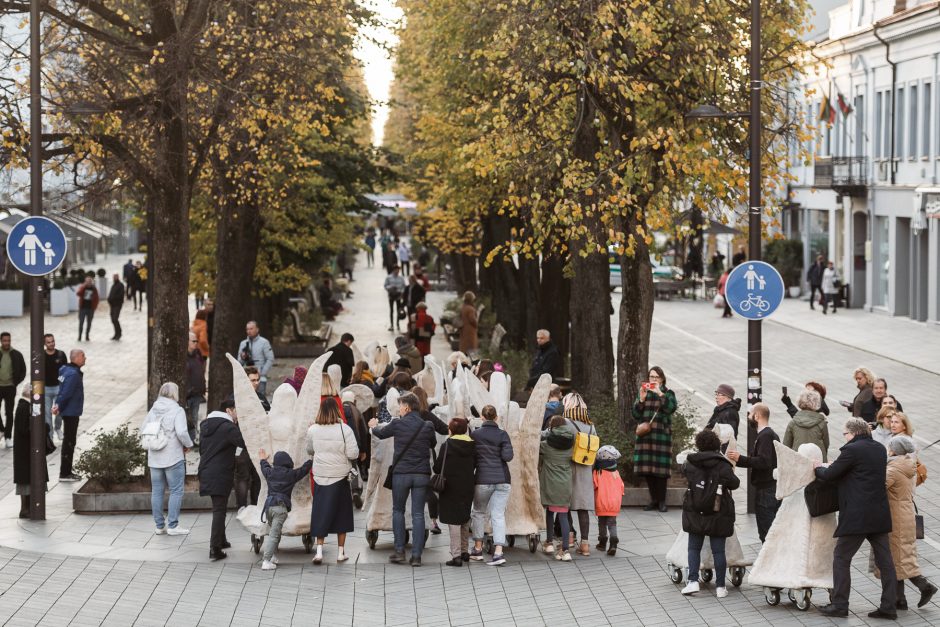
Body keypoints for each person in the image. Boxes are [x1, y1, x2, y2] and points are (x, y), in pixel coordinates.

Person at [813, 418, 897, 619]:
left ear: (852, 433)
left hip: (857, 516)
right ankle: (889, 607)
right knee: (885, 561)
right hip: (878, 514)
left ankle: (840, 605)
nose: (845, 437)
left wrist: (818, 467)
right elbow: (861, 473)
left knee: (841, 558)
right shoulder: (879, 448)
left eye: (845, 434)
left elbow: (830, 475)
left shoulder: (851, 450)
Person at [369, 392, 437, 566]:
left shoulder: (397, 424)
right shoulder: (427, 425)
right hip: (421, 474)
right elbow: (432, 443)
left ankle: (399, 551)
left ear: (406, 407)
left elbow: (381, 434)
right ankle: (416, 556)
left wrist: (373, 426)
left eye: (400, 406)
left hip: (401, 474)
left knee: (398, 510)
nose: (399, 409)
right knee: (418, 514)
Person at [680, 429, 740, 599]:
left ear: (699, 444)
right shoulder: (723, 464)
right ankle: (721, 587)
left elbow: (684, 473)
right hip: (718, 512)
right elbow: (735, 484)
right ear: (716, 445)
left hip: (695, 510)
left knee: (693, 547)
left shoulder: (690, 463)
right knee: (718, 551)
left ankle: (693, 581)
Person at [883, 436, 938, 610]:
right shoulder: (907, 465)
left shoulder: (893, 468)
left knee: (898, 558)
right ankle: (900, 599)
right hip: (905, 514)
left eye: (889, 447)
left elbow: (878, 487)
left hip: (895, 516)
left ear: (894, 450)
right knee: (899, 557)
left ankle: (924, 586)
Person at [305, 397, 359, 565]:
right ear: (337, 411)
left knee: (320, 512)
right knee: (341, 514)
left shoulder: (313, 429)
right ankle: (340, 553)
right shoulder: (345, 429)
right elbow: (353, 454)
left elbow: (309, 450)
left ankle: (319, 552)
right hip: (340, 477)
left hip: (321, 476)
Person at [198, 399, 246, 561]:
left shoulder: (206, 425)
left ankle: (222, 540)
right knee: (219, 510)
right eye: (237, 410)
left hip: (207, 470)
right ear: (229, 411)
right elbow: (243, 442)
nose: (239, 414)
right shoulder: (228, 428)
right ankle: (215, 548)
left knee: (220, 507)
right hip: (220, 472)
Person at [144, 382, 194, 536]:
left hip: (155, 457)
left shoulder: (154, 408)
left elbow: (143, 428)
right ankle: (173, 525)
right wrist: (189, 445)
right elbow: (182, 432)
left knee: (157, 491)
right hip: (172, 456)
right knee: (176, 491)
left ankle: (159, 526)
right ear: (175, 394)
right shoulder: (177, 410)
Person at [726, 403, 779, 542]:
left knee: (766, 532)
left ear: (757, 416)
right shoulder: (767, 434)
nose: (748, 417)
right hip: (769, 488)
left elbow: (764, 462)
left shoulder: (765, 436)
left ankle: (768, 562)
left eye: (749, 414)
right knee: (768, 530)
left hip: (766, 490)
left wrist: (740, 458)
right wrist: (741, 460)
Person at [468, 404, 514, 566]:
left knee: (479, 512)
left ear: (481, 417)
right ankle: (498, 553)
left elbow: (471, 460)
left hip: (482, 479)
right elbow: (508, 456)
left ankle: (478, 549)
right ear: (496, 418)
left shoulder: (475, 435)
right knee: (498, 515)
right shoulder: (503, 435)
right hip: (502, 480)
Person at [632, 366, 678, 513]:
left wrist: (660, 393)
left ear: (662, 379)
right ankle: (654, 500)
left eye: (656, 377)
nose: (653, 380)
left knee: (661, 471)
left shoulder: (668, 393)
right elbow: (636, 414)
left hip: (661, 435)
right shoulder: (644, 392)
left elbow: (671, 408)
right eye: (651, 377)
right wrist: (641, 399)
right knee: (647, 470)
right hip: (646, 436)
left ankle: (662, 501)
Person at [258, 448, 312, 570]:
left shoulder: (270, 473)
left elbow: (264, 467)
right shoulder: (290, 474)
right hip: (280, 508)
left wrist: (262, 459)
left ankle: (271, 557)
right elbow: (303, 470)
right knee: (274, 535)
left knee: (274, 532)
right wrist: (311, 460)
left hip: (269, 508)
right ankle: (266, 561)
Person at [433, 417, 477, 567]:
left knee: (453, 521)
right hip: (467, 485)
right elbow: (475, 463)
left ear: (451, 430)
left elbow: (438, 467)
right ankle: (465, 551)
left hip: (451, 486)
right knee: (465, 518)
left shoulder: (447, 445)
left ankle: (456, 555)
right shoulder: (472, 445)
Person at [561, 393, 596, 554]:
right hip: (585, 469)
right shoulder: (591, 426)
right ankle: (585, 544)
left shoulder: (565, 423)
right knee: (583, 508)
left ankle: (569, 537)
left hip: (567, 468)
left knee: (565, 506)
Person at [540, 415, 576, 560]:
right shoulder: (572, 443)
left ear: (552, 427)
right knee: (563, 516)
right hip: (565, 483)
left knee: (549, 512)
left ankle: (549, 543)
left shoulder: (546, 445)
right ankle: (565, 550)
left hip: (549, 483)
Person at [13, 384, 51, 517]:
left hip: (27, 452)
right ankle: (25, 509)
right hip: (26, 453)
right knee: (26, 481)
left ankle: (27, 508)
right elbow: (24, 429)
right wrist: (42, 426)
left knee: (28, 481)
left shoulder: (24, 406)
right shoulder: (24, 407)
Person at [52, 349, 85, 482]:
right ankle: (65, 473)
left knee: (68, 441)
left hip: (69, 411)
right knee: (69, 441)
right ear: (75, 358)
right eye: (83, 356)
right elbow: (66, 393)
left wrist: (57, 405)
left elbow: (62, 391)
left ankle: (66, 471)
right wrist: (58, 405)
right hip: (71, 412)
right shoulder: (73, 374)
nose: (85, 358)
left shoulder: (65, 370)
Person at [782, 387, 829, 462]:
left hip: (798, 460)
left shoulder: (793, 422)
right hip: (818, 461)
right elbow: (826, 444)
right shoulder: (822, 423)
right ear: (816, 403)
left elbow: (786, 445)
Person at [593, 445, 624, 556]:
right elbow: (622, 488)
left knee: (602, 522)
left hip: (602, 502)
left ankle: (602, 542)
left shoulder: (598, 472)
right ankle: (614, 541)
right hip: (615, 503)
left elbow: (594, 485)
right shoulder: (616, 473)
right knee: (612, 523)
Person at [0, 332, 26, 447]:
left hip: (10, 387)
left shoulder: (17, 354)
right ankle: (2, 429)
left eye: (8, 340)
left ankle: (8, 437)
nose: (6, 343)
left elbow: (23, 370)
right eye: (4, 340)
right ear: (1, 341)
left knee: (9, 413)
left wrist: (15, 383)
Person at [237, 321, 274, 397]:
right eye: (247, 329)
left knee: (260, 400)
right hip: (246, 378)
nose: (249, 331)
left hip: (260, 378)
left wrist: (262, 372)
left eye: (251, 329)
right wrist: (242, 357)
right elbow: (239, 363)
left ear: (257, 329)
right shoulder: (243, 343)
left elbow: (270, 358)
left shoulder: (264, 342)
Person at [42, 334, 67, 440]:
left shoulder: (61, 354)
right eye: (48, 342)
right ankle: (49, 435)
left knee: (59, 411)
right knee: (47, 414)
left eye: (52, 341)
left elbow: (66, 371)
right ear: (44, 344)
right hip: (46, 389)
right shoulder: (41, 355)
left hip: (58, 388)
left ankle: (58, 428)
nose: (51, 343)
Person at [184, 333, 206, 443]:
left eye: (197, 341)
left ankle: (192, 440)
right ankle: (187, 440)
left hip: (197, 393)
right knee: (187, 418)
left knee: (195, 417)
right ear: (187, 341)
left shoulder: (197, 354)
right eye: (194, 341)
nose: (196, 343)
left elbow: (201, 369)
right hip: (187, 395)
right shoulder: (183, 356)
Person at [384, 265, 407, 332]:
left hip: (398, 296)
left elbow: (404, 286)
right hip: (391, 295)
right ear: (393, 270)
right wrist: (390, 287)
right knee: (391, 310)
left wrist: (402, 292)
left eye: (398, 270)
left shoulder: (401, 278)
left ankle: (397, 323)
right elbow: (385, 285)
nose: (397, 271)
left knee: (398, 310)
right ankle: (391, 324)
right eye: (396, 270)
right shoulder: (389, 277)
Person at [76, 275, 99, 341]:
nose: (88, 282)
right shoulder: (83, 287)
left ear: (91, 282)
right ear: (85, 282)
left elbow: (97, 298)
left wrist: (94, 307)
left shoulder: (94, 288)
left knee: (89, 323)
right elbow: (78, 293)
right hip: (83, 308)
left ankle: (87, 336)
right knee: (81, 322)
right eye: (87, 281)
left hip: (90, 309)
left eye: (89, 281)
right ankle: (79, 336)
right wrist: (83, 286)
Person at [107, 273, 124, 340]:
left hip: (117, 304)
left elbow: (120, 295)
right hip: (112, 305)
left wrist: (113, 299)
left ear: (118, 277)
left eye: (115, 277)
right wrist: (109, 299)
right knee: (113, 319)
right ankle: (116, 333)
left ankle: (119, 333)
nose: (114, 278)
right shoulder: (113, 285)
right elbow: (111, 293)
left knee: (115, 318)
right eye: (113, 277)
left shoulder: (120, 285)